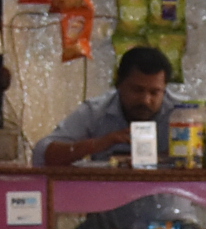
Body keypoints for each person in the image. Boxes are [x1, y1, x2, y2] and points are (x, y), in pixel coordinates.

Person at [37, 46, 173, 166]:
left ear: (165, 90)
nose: (145, 100)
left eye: (154, 92)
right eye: (137, 90)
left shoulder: (184, 114)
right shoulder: (96, 111)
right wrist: (98, 144)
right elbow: (42, 155)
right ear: (119, 84)